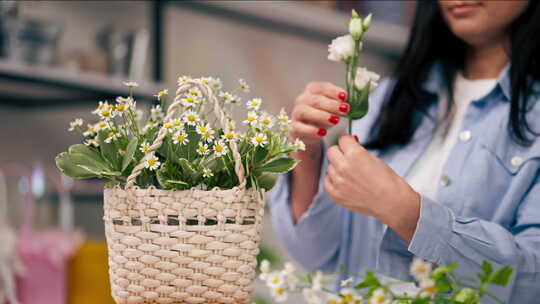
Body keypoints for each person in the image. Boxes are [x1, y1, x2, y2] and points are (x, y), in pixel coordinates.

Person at [269, 1, 540, 302]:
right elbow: (315, 254)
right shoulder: (391, 97)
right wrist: (307, 149)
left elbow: (533, 283)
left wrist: (406, 212)